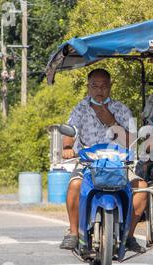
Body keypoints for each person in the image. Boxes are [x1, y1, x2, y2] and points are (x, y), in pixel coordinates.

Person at [60, 68, 147, 253]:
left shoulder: (121, 109)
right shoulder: (80, 109)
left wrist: (111, 122)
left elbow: (131, 140)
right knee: (75, 185)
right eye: (95, 86)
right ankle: (74, 233)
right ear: (88, 87)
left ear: (110, 87)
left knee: (142, 188)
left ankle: (129, 236)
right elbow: (70, 131)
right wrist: (67, 148)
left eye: (104, 86)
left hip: (118, 164)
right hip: (89, 164)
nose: (100, 90)